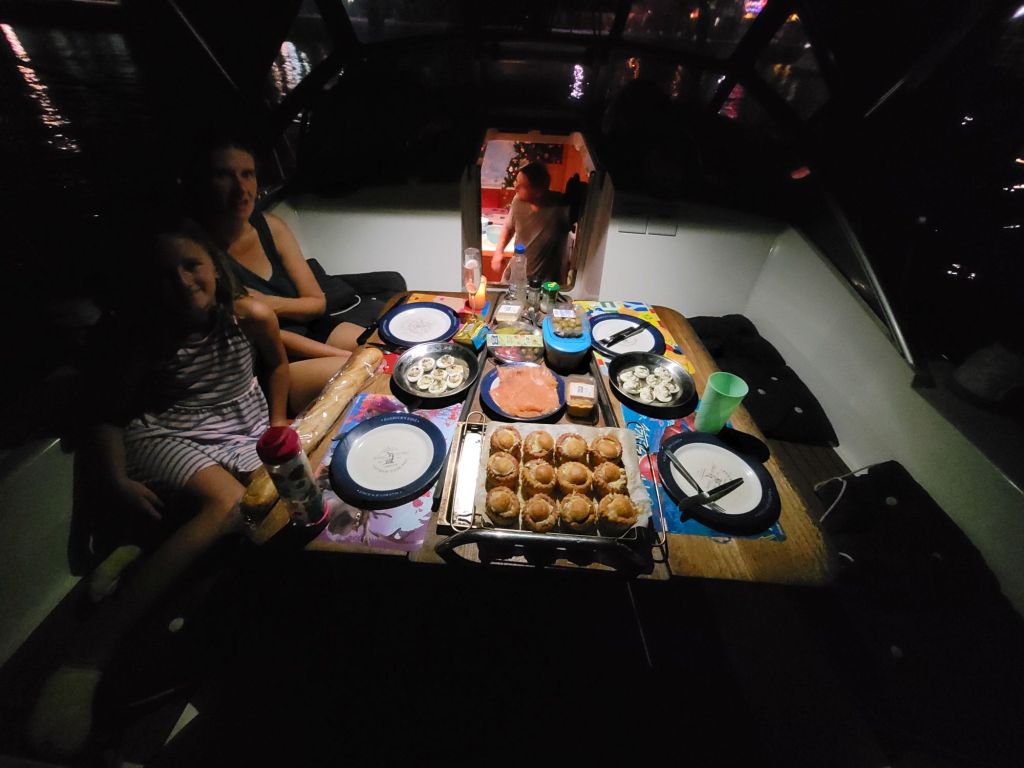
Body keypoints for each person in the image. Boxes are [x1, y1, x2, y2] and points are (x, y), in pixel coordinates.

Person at [27, 221, 311, 759]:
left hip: (241, 422)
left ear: (214, 267)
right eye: (164, 274)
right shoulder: (148, 338)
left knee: (271, 504)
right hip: (168, 430)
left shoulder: (250, 315)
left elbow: (277, 366)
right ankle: (85, 658)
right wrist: (115, 481)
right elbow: (110, 416)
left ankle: (143, 546)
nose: (181, 281)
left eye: (191, 265)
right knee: (230, 506)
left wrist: (278, 423)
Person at [186, 137, 390, 362]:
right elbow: (264, 333)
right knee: (369, 367)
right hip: (272, 354)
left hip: (315, 328)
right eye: (224, 176)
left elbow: (317, 303)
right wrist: (350, 357)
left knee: (390, 348)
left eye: (247, 174)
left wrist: (272, 304)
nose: (240, 188)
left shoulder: (271, 227)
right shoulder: (198, 251)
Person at [490, 162, 570, 285]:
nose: (515, 187)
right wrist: (498, 252)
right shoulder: (517, 201)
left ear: (538, 191)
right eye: (516, 182)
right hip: (514, 277)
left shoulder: (561, 206)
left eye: (521, 186)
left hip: (545, 283)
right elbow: (508, 227)